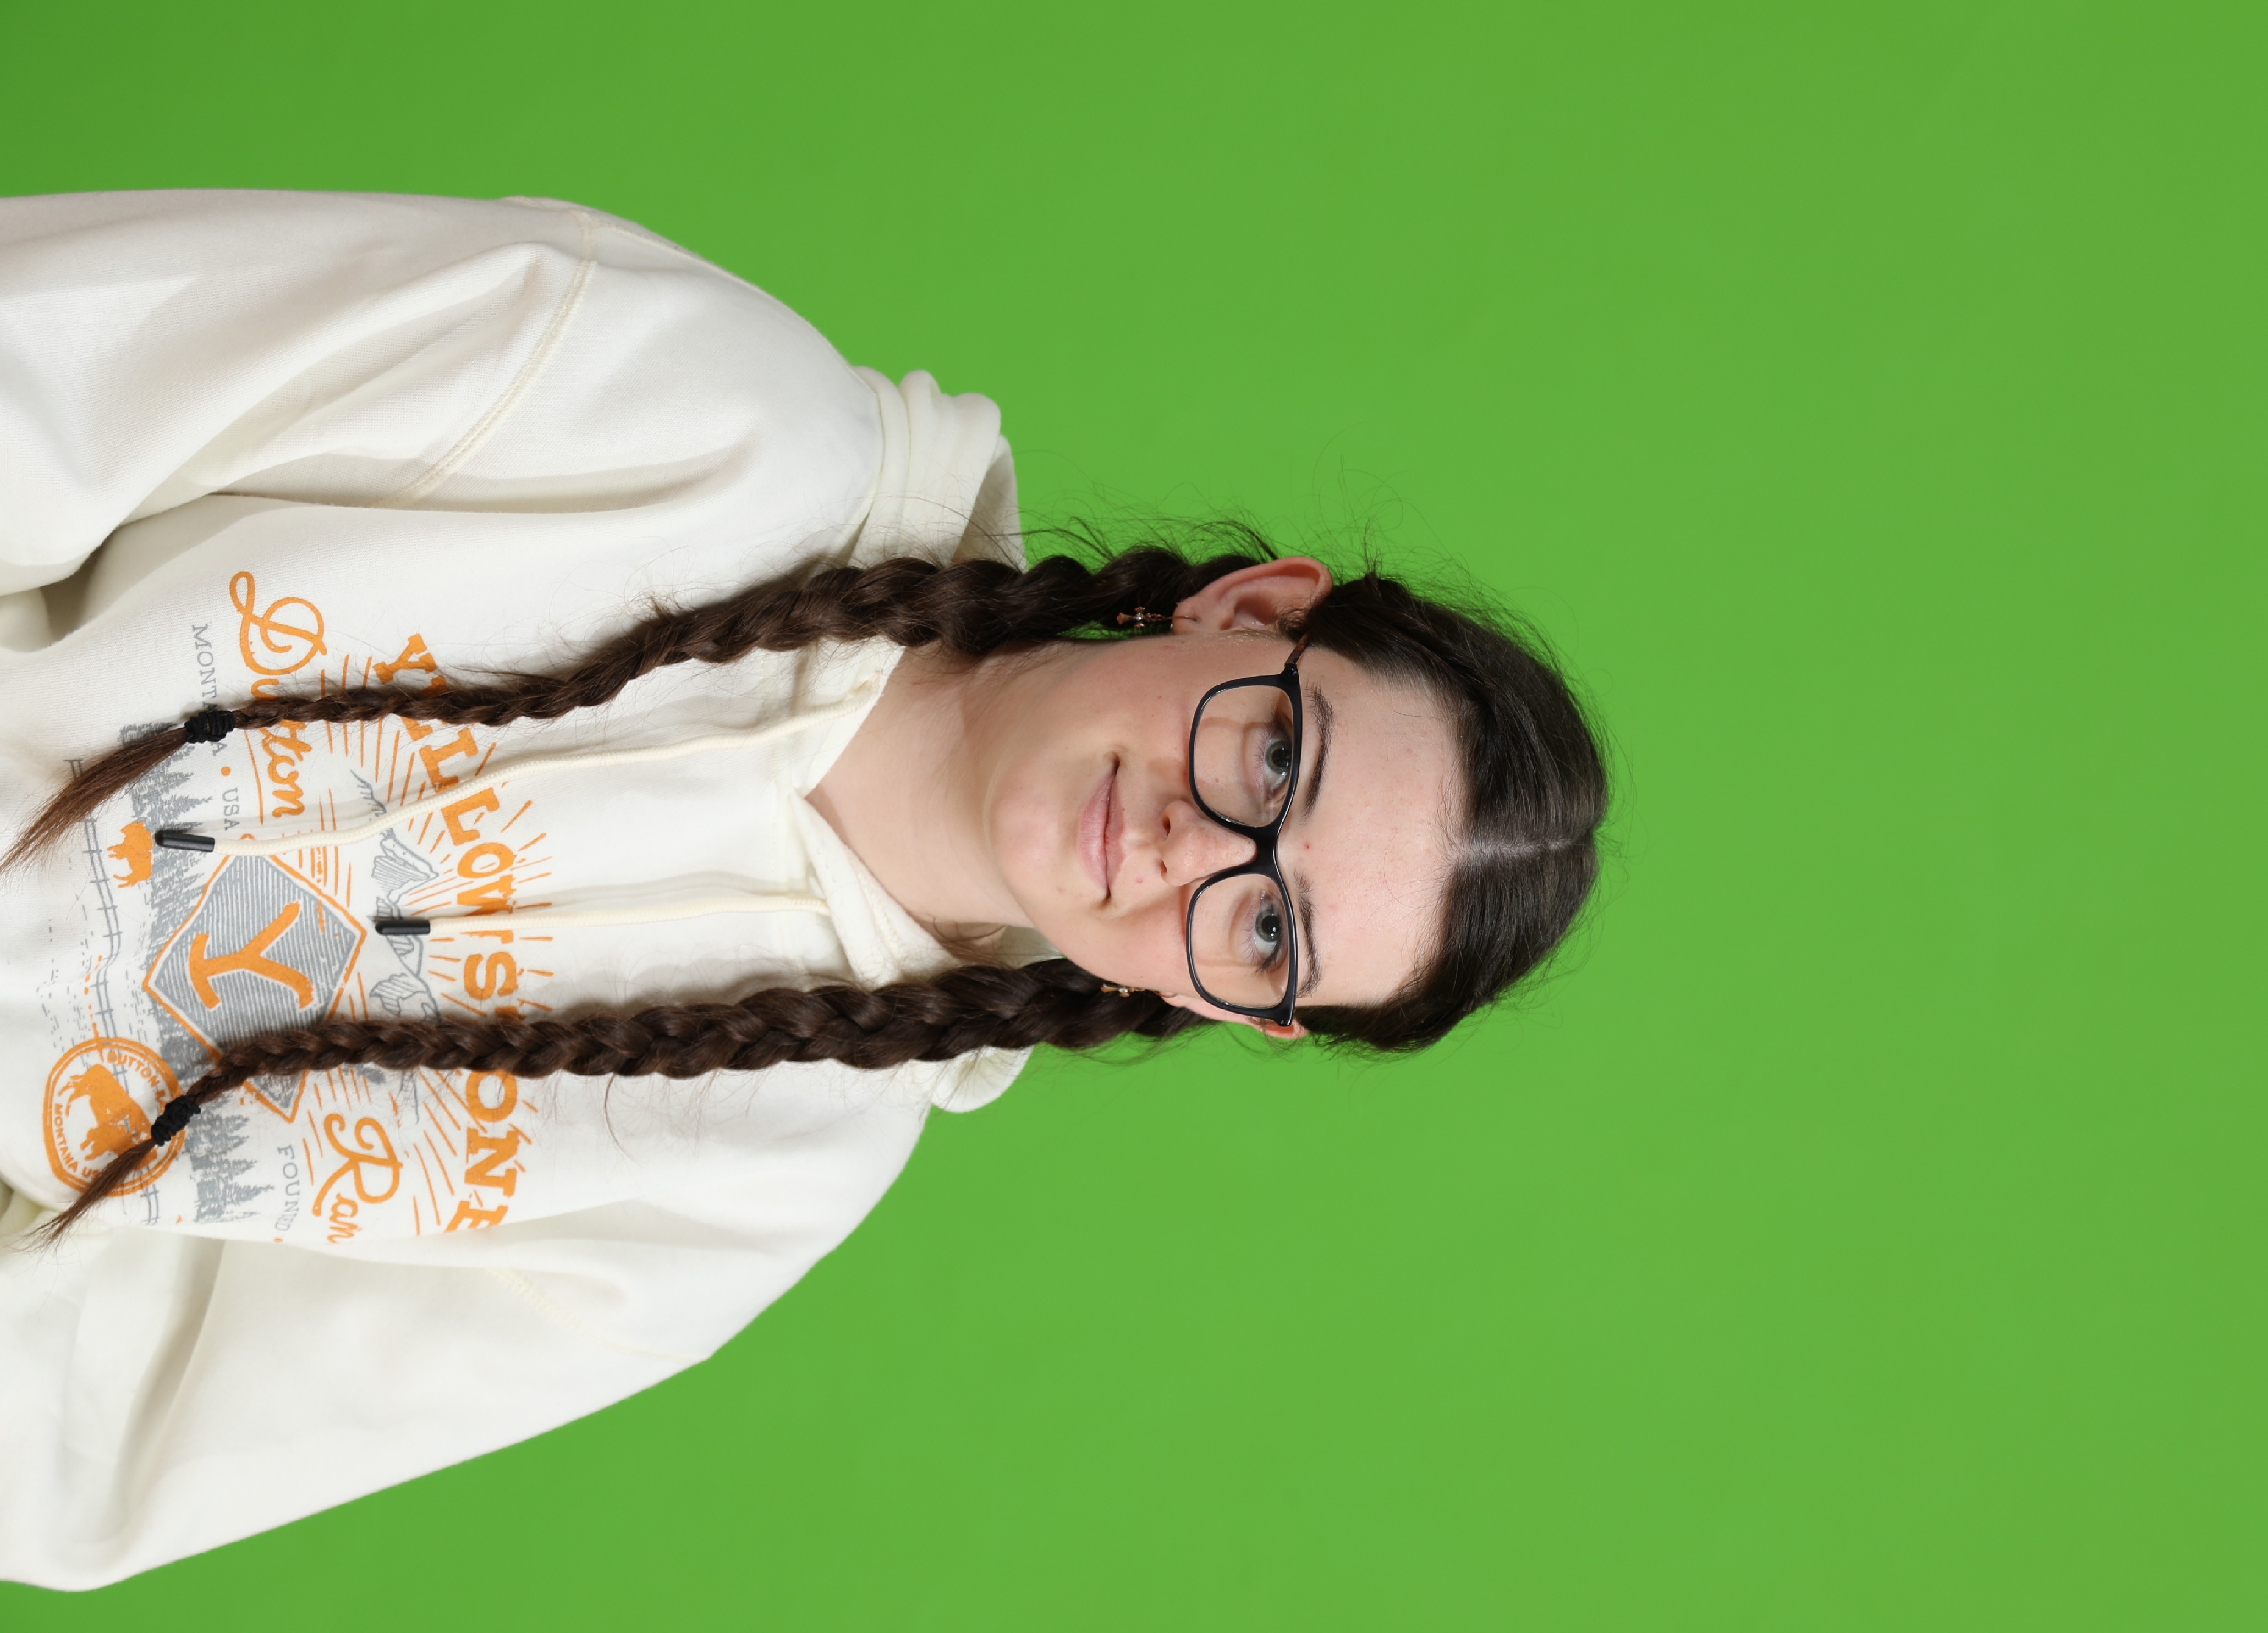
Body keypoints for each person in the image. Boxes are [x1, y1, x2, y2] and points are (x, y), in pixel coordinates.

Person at [0, 190, 1605, 1589]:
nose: (1199, 846)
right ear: (1247, 613)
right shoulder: (712, 415)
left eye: (1269, 928)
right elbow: (67, 360)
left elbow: (109, 1440)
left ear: (1227, 1007)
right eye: (1274, 761)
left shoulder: (769, 1176)